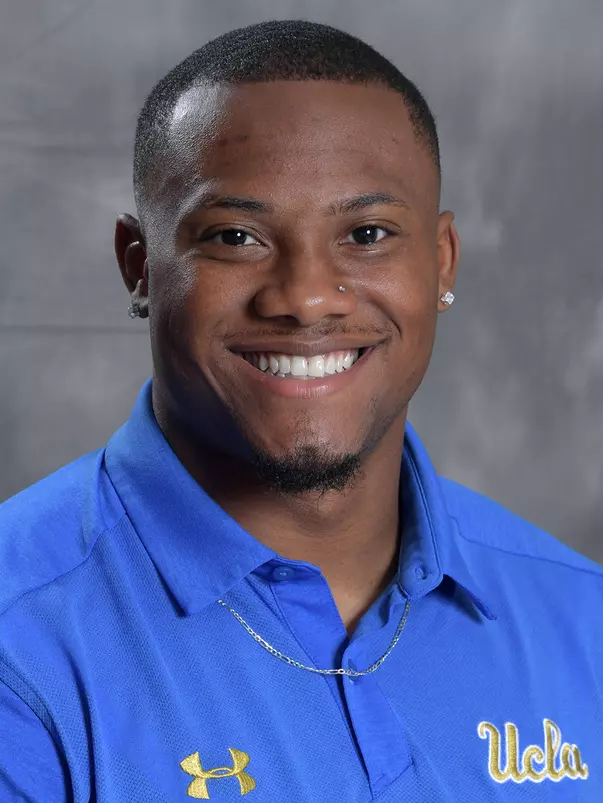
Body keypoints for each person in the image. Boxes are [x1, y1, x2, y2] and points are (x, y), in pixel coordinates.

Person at [0, 18, 601, 802]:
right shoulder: (22, 647)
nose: (306, 297)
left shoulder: (581, 616)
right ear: (138, 266)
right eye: (236, 236)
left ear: (441, 261)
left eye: (367, 233)